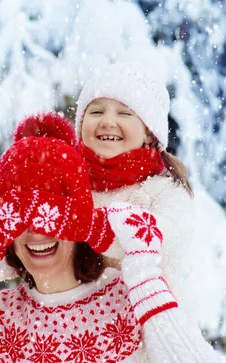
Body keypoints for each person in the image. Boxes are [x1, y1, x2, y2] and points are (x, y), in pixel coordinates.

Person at [0, 113, 225, 363]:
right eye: (20, 220)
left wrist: (143, 273)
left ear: (78, 223)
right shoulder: (2, 319)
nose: (36, 233)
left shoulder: (130, 298)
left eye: (49, 215)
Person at [75, 62, 194, 299]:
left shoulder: (164, 192)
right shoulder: (68, 183)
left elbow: (164, 242)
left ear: (149, 132)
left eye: (125, 113)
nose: (107, 121)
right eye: (96, 112)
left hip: (148, 323)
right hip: (73, 328)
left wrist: (92, 225)